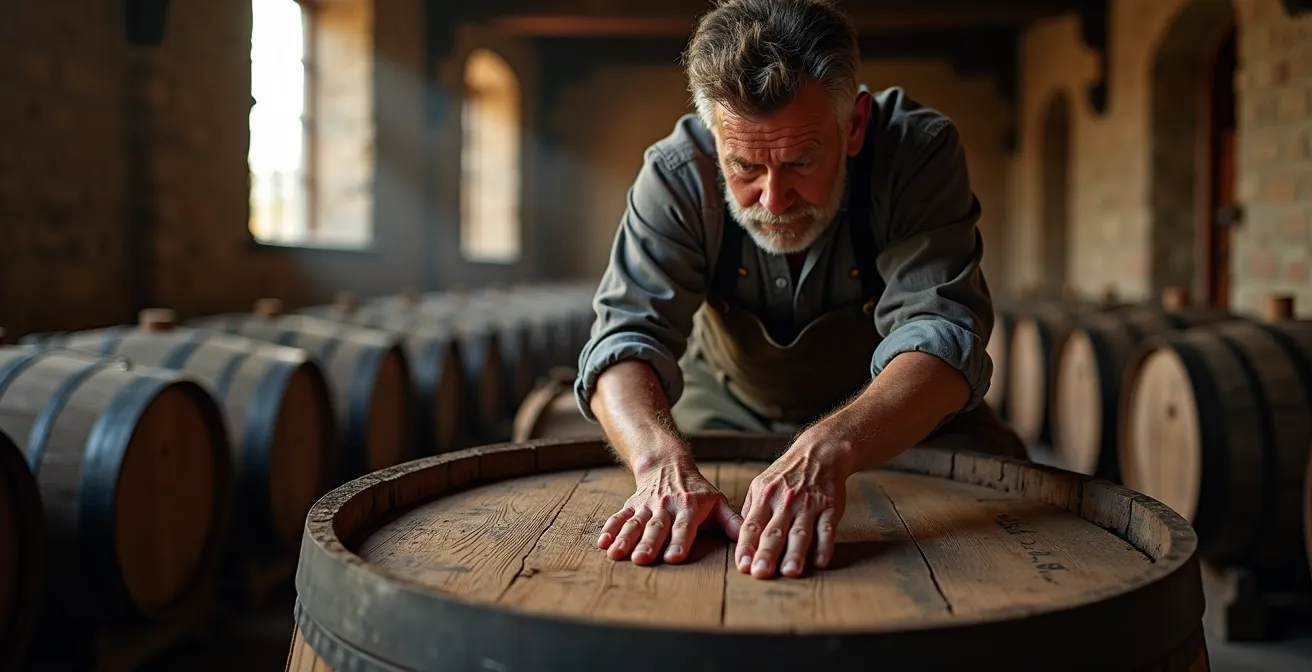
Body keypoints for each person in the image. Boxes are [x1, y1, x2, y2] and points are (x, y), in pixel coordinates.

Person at [573, 0, 1028, 581]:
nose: (772, 199)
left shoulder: (915, 153)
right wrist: (659, 461)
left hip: (899, 418)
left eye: (800, 162)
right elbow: (623, 338)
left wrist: (829, 446)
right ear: (714, 135)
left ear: (855, 124)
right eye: (744, 167)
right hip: (727, 409)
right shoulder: (673, 173)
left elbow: (942, 336)